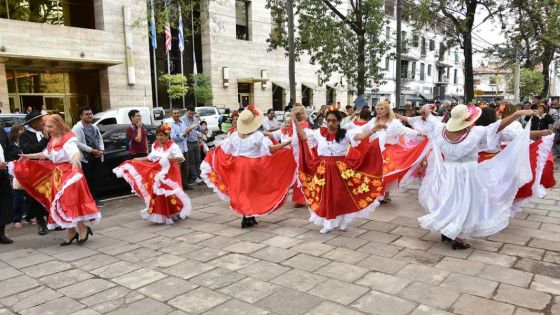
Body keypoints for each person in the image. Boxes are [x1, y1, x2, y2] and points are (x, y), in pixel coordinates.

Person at [417, 104, 534, 250]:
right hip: (468, 172)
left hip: (449, 171)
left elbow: (429, 116)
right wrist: (517, 114)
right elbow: (498, 126)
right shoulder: (475, 133)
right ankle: (458, 238)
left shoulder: (440, 130)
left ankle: (447, 232)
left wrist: (426, 111)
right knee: (466, 203)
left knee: (450, 200)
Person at [293, 106, 386, 233]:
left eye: (334, 120)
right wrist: (295, 122)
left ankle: (343, 220)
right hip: (323, 170)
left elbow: (361, 137)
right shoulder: (318, 133)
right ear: (326, 120)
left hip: (341, 170)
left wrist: (374, 129)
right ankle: (328, 223)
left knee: (341, 196)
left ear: (339, 121)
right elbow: (304, 136)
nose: (331, 123)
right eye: (329, 120)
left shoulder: (346, 133)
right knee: (326, 196)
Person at [201, 105, 294, 228]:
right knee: (252, 192)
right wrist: (287, 143)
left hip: (239, 165)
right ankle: (248, 216)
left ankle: (248, 216)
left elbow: (224, 148)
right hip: (253, 166)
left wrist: (213, 153)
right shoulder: (258, 136)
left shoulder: (234, 135)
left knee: (243, 192)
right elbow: (271, 149)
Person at [14, 114, 100, 246]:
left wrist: (75, 160)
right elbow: (47, 154)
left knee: (67, 203)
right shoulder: (53, 139)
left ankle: (82, 228)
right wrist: (29, 156)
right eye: (46, 126)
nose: (47, 129)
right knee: (59, 204)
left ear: (59, 126)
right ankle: (72, 231)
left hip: (69, 174)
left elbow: (75, 152)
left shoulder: (68, 139)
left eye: (50, 126)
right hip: (58, 175)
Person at [114, 124, 191, 224]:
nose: (159, 138)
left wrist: (166, 160)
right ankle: (163, 214)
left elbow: (180, 158)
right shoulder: (155, 145)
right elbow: (151, 157)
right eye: (157, 135)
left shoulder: (173, 146)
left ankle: (175, 211)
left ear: (167, 135)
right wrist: (138, 159)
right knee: (158, 193)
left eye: (161, 135)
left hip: (170, 172)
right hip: (157, 172)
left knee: (170, 192)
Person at [361, 101, 430, 203]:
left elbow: (406, 130)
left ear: (387, 110)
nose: (379, 111)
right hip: (375, 150)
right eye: (378, 109)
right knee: (375, 172)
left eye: (382, 109)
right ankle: (378, 194)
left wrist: (420, 133)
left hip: (389, 151)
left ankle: (385, 193)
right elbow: (363, 130)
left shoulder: (394, 122)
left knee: (386, 172)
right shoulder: (373, 121)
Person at [19, 111, 49, 235]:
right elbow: (29, 150)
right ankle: (41, 223)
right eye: (41, 121)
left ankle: (52, 221)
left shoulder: (46, 132)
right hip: (34, 170)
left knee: (49, 194)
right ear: (33, 123)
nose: (43, 123)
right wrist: (44, 140)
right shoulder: (25, 136)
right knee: (36, 197)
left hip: (48, 167)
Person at [72, 106, 105, 207]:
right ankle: (89, 201)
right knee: (88, 181)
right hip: (85, 159)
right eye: (87, 114)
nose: (90, 116)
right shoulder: (77, 128)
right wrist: (91, 150)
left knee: (96, 179)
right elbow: (76, 142)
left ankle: (95, 199)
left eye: (91, 114)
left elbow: (100, 139)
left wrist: (101, 149)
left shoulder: (94, 126)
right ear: (81, 116)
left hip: (96, 156)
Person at [5, 124, 26, 229]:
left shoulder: (22, 142)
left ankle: (27, 216)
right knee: (17, 196)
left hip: (24, 170)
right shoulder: (9, 144)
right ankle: (16, 219)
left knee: (25, 195)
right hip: (14, 171)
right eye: (20, 130)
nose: (22, 132)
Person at [169, 108, 191, 190]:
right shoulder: (170, 125)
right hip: (177, 150)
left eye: (178, 113)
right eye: (174, 113)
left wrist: (188, 131)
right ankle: (178, 185)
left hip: (185, 148)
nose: (176, 114)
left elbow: (186, 133)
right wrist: (184, 134)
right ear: (171, 115)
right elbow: (174, 137)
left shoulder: (183, 123)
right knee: (177, 168)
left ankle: (185, 183)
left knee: (185, 168)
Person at [182, 107, 204, 184]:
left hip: (195, 141)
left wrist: (203, 128)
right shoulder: (182, 119)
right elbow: (183, 131)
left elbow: (199, 128)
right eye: (189, 113)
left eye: (192, 113)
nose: (191, 115)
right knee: (191, 160)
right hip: (188, 142)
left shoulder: (195, 119)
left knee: (198, 159)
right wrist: (189, 129)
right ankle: (195, 177)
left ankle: (200, 175)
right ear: (186, 112)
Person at [0, 127, 14, 244]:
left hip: (3, 174)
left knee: (4, 205)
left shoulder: (1, 130)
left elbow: (9, 149)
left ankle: (1, 233)